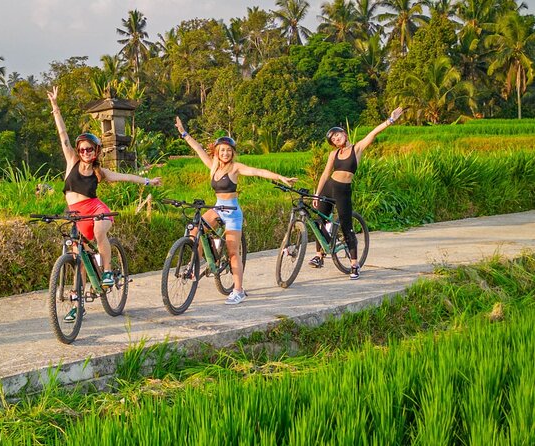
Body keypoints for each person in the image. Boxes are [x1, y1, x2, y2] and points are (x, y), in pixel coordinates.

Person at [48, 86, 161, 321]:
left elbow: (126, 177)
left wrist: (149, 180)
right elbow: (63, 135)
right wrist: (56, 107)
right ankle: (76, 305)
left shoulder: (101, 171)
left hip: (96, 210)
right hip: (75, 215)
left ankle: (108, 272)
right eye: (82, 149)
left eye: (90, 149)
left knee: (100, 231)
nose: (86, 152)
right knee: (77, 261)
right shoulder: (71, 161)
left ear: (96, 151)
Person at [175, 116, 298, 304]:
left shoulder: (235, 168)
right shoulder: (213, 166)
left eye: (228, 151)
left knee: (233, 252)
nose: (225, 153)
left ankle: (238, 290)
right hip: (217, 208)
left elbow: (258, 171)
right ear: (216, 152)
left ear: (233, 153)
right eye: (222, 150)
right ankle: (194, 267)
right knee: (195, 230)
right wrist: (184, 133)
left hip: (232, 212)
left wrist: (280, 177)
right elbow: (198, 148)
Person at [310, 107, 404, 279]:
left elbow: (373, 133)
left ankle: (354, 264)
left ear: (344, 134)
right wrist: (317, 194)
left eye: (337, 135)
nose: (336, 139)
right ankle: (319, 255)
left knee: (347, 227)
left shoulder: (357, 148)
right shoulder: (334, 154)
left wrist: (390, 120)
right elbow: (325, 174)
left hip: (343, 190)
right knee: (319, 220)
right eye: (333, 139)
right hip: (329, 187)